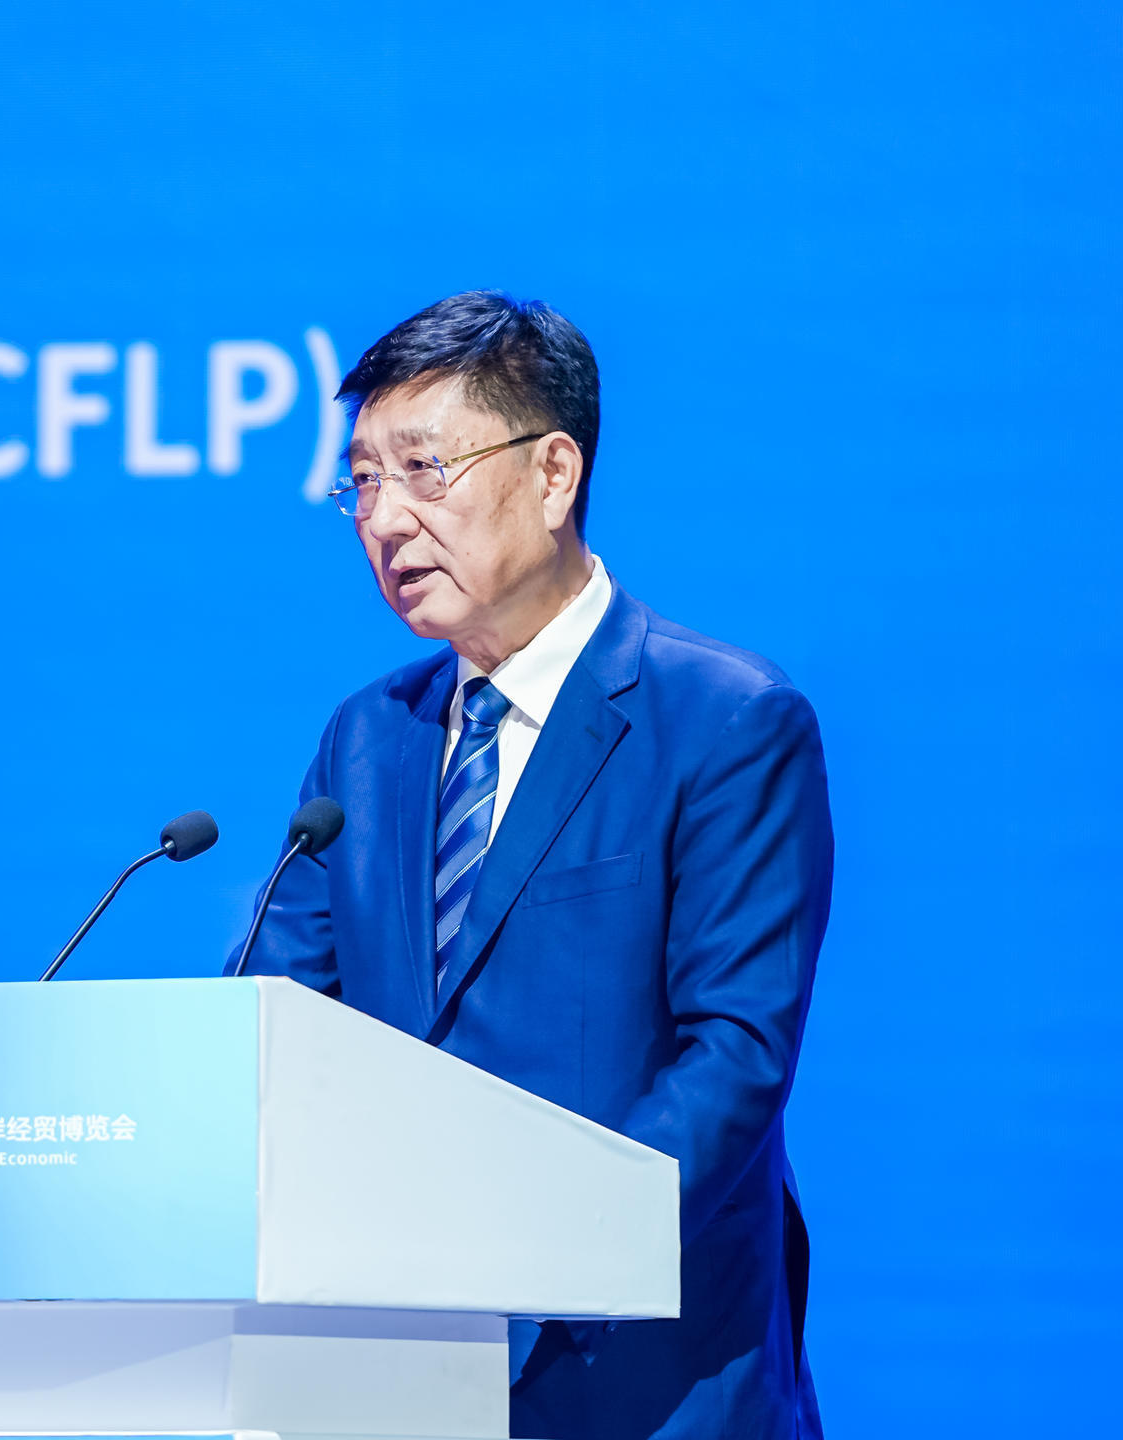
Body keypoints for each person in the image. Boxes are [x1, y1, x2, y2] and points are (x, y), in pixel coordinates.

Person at [240, 291, 832, 1440]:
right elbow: (275, 1022)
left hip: (638, 1379)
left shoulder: (723, 721)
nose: (385, 521)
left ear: (553, 474)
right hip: (397, 1375)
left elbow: (733, 1059)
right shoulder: (368, 739)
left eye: (424, 471)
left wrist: (537, 1254)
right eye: (360, 482)